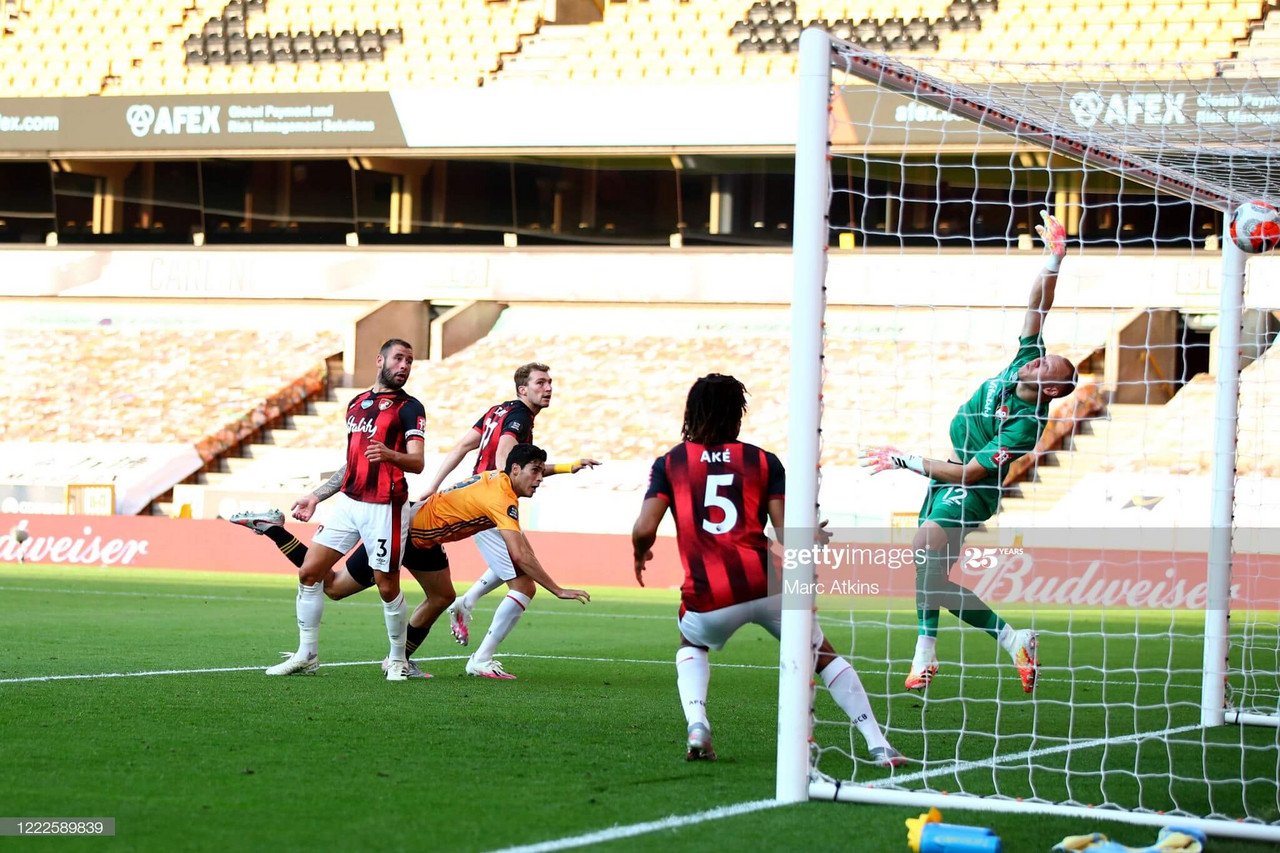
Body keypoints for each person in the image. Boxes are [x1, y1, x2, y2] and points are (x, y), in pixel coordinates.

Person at [632, 374, 904, 767]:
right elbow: (787, 533)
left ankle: (697, 724)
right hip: (770, 583)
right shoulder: (763, 461)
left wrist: (640, 553)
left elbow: (644, 528)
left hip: (710, 595)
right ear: (738, 416)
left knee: (691, 643)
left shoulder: (670, 463)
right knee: (823, 656)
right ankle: (878, 744)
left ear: (691, 412)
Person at [859, 211, 1078, 694]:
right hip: (948, 478)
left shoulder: (1024, 428)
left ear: (1051, 390)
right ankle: (1011, 638)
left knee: (922, 550)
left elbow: (972, 473)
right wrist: (1055, 260)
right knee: (933, 575)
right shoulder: (1022, 362)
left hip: (971, 489)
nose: (1038, 360)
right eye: (1042, 356)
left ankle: (925, 650)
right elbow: (1036, 307)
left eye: (1046, 366)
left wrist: (904, 460)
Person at [233, 444, 590, 679]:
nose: (540, 479)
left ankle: (400, 658)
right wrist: (556, 589)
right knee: (334, 588)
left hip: (424, 537)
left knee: (442, 596)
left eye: (543, 472)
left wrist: (569, 466)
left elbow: (528, 473)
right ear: (515, 470)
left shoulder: (503, 480)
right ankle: (274, 530)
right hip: (404, 532)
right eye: (536, 473)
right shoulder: (501, 496)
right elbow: (520, 553)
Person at [265, 338, 425, 681]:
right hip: (349, 503)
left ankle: (398, 660)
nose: (404, 366)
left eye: (409, 361)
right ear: (379, 360)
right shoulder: (356, 404)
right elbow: (351, 464)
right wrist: (316, 497)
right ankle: (307, 654)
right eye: (398, 358)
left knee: (386, 584)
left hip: (387, 507)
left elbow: (418, 462)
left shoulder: (410, 408)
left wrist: (391, 455)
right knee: (309, 573)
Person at [422, 362, 596, 677]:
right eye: (541, 382)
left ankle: (467, 602)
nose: (548, 388)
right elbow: (507, 455)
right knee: (524, 582)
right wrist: (504, 489)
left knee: (514, 563)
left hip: (477, 499)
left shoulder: (497, 411)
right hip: (488, 506)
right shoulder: (519, 417)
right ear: (522, 389)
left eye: (550, 382)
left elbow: (463, 446)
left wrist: (433, 484)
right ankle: (481, 659)